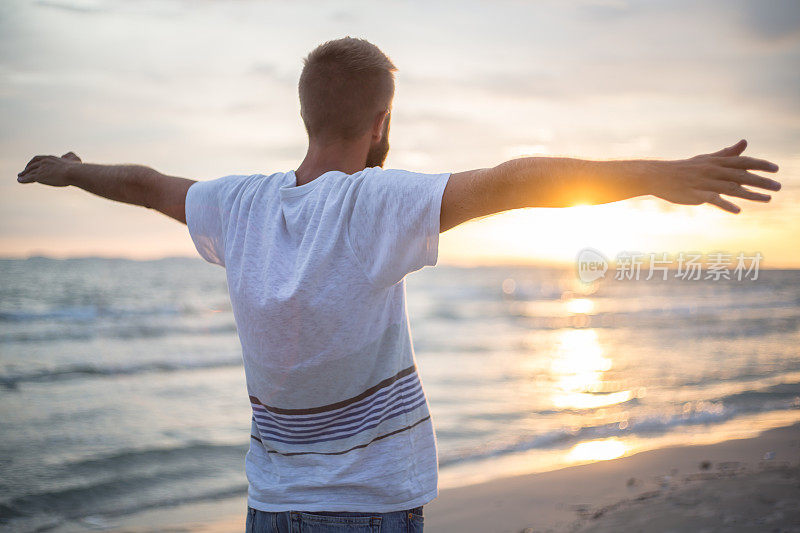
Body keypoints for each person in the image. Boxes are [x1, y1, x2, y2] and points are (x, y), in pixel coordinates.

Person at [16, 36, 780, 533]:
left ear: (307, 114)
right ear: (381, 122)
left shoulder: (237, 205)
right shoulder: (373, 205)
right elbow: (515, 181)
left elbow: (149, 184)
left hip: (270, 509)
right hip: (366, 508)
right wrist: (657, 176)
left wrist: (73, 171)